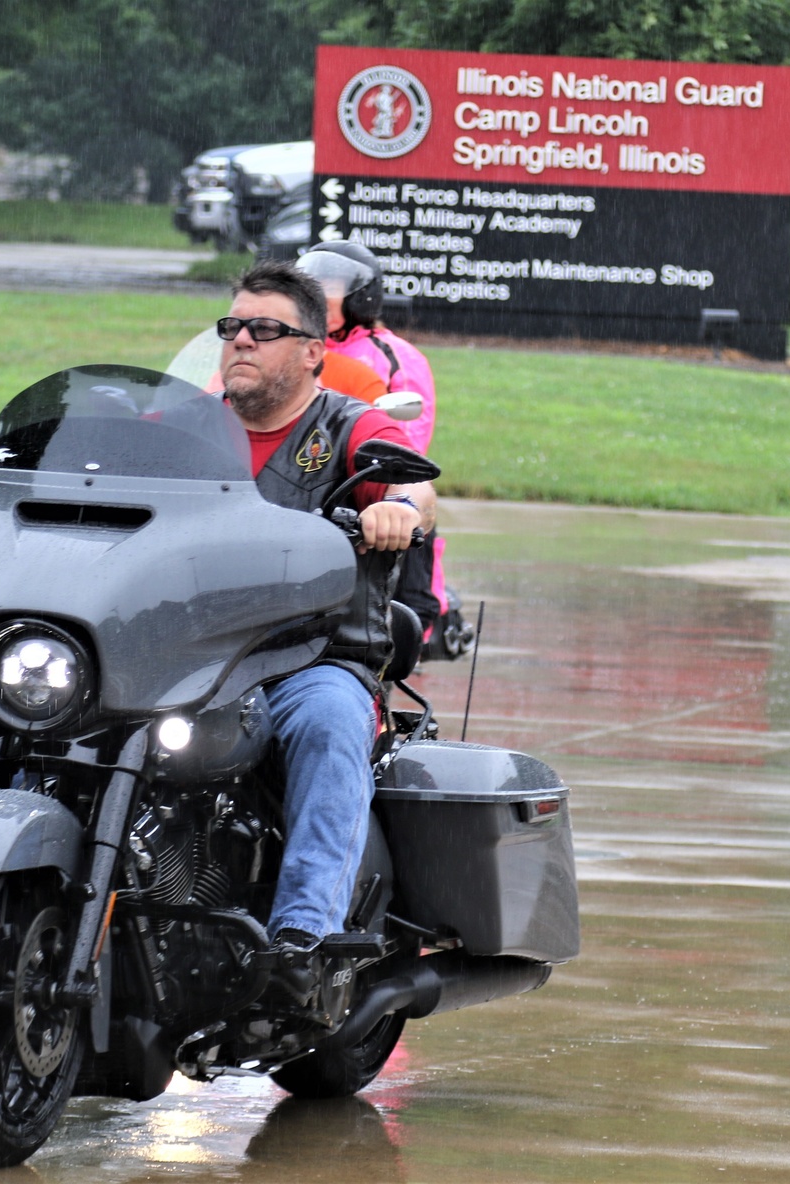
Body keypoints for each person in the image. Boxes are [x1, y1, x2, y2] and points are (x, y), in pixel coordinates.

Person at [215, 259, 436, 1001]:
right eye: (232, 327)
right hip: (191, 656)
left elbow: (415, 485)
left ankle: (302, 940)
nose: (241, 340)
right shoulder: (188, 429)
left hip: (310, 657)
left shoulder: (348, 424)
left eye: (264, 329)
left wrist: (398, 507)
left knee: (332, 719)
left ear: (314, 350)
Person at [296, 242, 473, 658]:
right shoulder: (293, 348)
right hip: (305, 500)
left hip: (367, 508)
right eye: (312, 284)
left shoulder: (390, 356)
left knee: (384, 639)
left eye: (331, 284)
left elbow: (406, 448)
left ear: (362, 296)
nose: (320, 293)